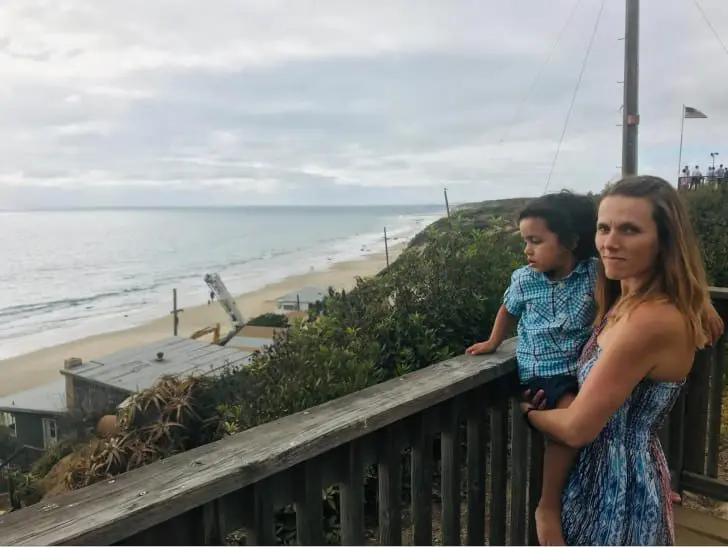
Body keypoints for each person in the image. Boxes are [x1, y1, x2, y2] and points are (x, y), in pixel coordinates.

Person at [521, 175, 724, 545]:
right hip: (610, 477)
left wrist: (527, 413)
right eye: (603, 228)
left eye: (629, 229)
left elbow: (577, 428)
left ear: (664, 242)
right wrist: (702, 299)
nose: (610, 243)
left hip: (617, 494)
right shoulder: (624, 298)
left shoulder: (649, 322)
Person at [465, 191, 599, 546]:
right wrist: (493, 343)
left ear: (570, 241)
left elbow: (634, 291)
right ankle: (548, 502)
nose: (527, 250)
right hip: (543, 370)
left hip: (584, 365)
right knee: (571, 413)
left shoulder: (593, 274)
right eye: (525, 241)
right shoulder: (524, 279)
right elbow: (507, 310)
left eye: (536, 241)